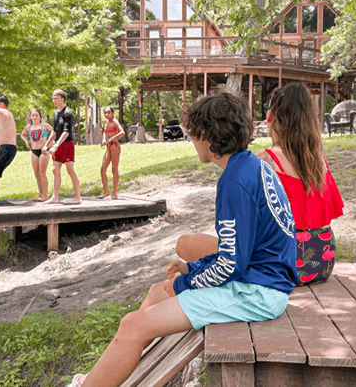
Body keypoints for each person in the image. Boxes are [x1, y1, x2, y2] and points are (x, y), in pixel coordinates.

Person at [65, 92, 298, 387]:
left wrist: (184, 283)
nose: (191, 142)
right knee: (156, 293)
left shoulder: (234, 182)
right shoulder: (252, 166)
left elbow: (231, 265)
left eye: (192, 135)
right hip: (261, 282)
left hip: (257, 293)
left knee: (132, 324)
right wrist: (195, 268)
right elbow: (242, 250)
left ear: (208, 136)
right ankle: (115, 371)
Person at [255, 83, 344, 285]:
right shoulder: (318, 159)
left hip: (286, 263)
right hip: (324, 263)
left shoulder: (264, 161)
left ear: (272, 116)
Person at [42, 89, 81, 204]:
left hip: (67, 144)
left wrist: (56, 146)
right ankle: (55, 197)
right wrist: (47, 145)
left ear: (62, 99)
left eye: (56, 98)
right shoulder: (56, 113)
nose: (54, 100)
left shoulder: (67, 113)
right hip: (57, 145)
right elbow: (55, 131)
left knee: (70, 170)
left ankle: (78, 197)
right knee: (55, 169)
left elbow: (66, 132)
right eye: (53, 98)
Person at [20, 108, 54, 201]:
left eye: (36, 115)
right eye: (33, 115)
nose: (35, 117)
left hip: (43, 151)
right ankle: (40, 194)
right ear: (30, 117)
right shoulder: (28, 127)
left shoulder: (44, 125)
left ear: (39, 116)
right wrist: (26, 141)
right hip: (34, 151)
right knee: (36, 173)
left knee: (42, 173)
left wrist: (51, 142)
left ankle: (45, 195)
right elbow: (22, 135)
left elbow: (55, 132)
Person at [98, 106, 125, 199]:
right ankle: (105, 192)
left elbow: (122, 132)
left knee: (114, 169)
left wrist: (113, 138)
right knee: (103, 169)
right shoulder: (106, 122)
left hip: (114, 147)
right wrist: (103, 139)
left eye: (108, 112)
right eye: (105, 113)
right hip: (108, 147)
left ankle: (114, 193)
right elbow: (105, 132)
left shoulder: (115, 121)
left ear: (112, 113)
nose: (106, 115)